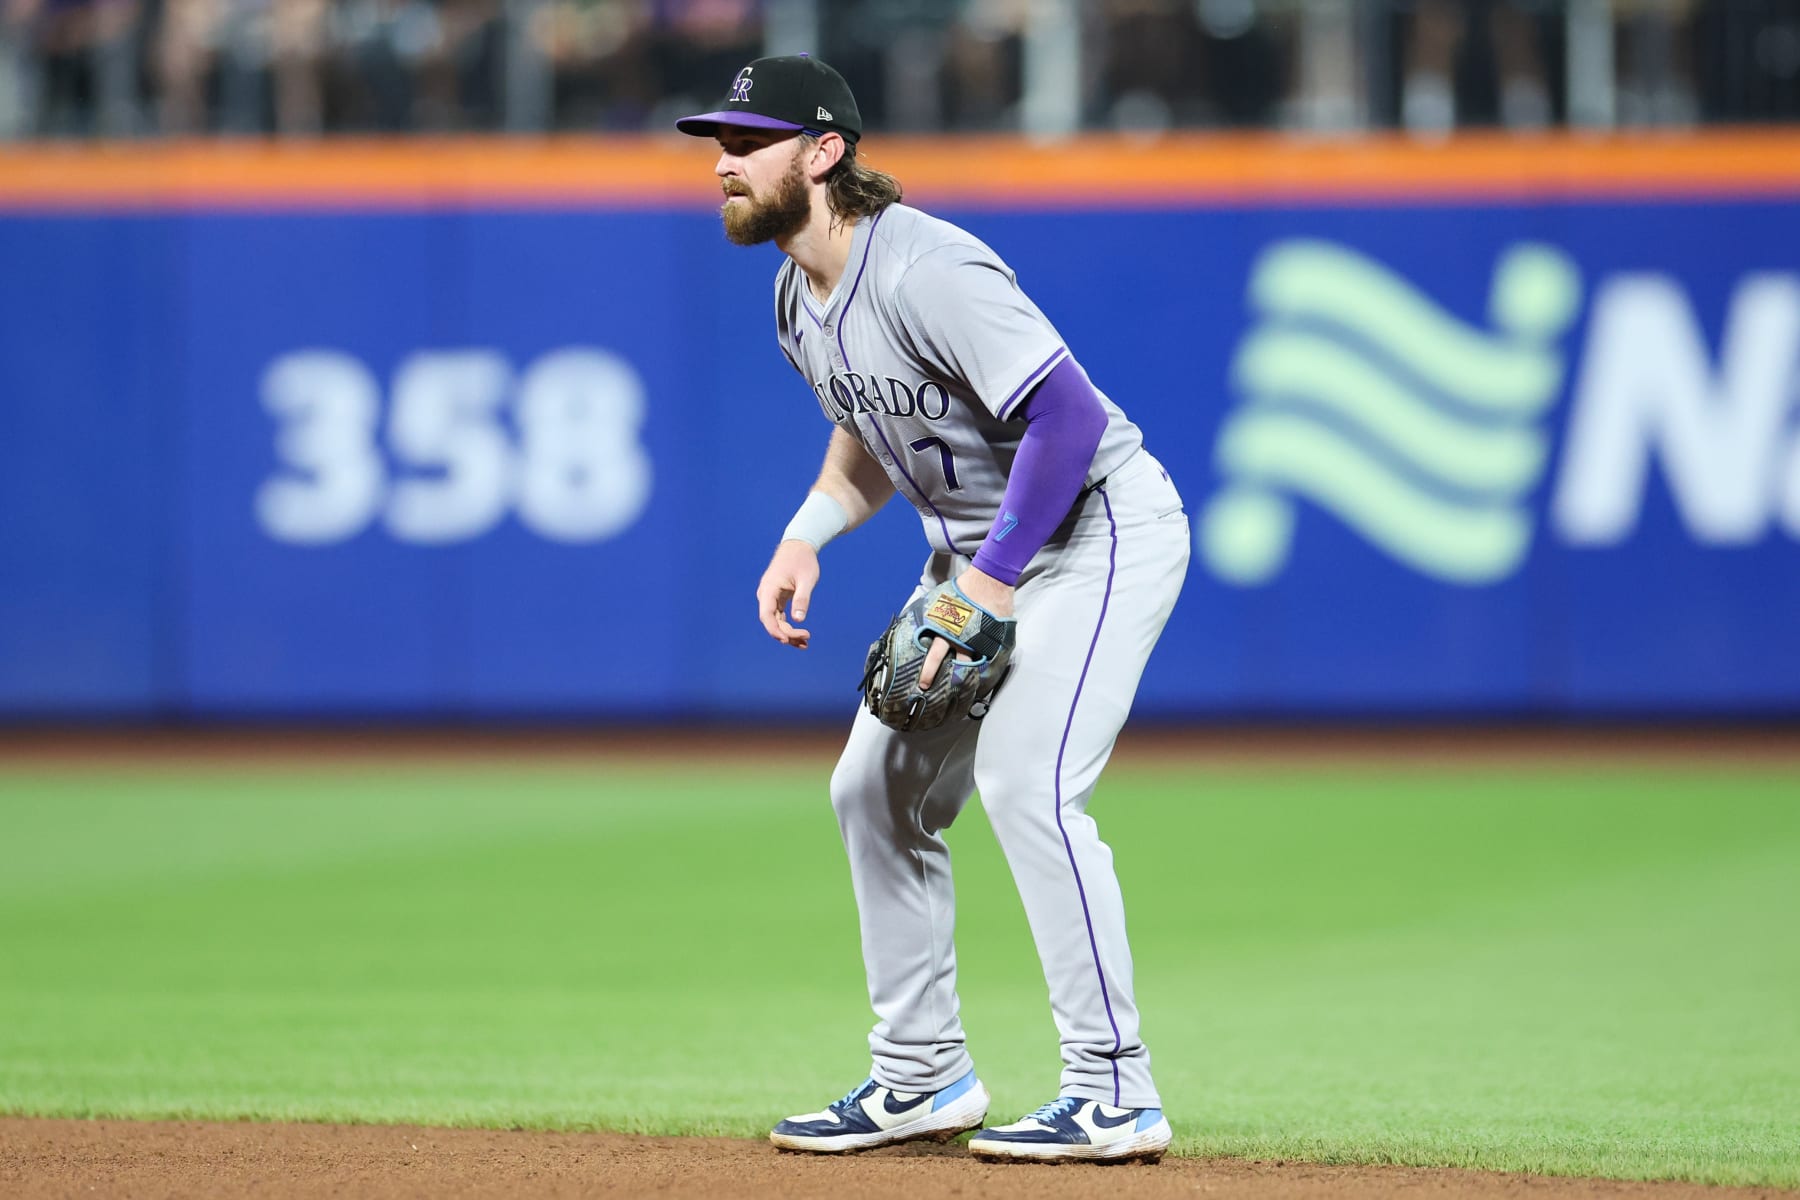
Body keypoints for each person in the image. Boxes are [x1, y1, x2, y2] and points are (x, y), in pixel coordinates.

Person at [676, 54, 1188, 1165]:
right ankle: (921, 1076)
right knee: (872, 788)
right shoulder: (792, 295)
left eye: (746, 142)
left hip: (1095, 532)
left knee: (1026, 781)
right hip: (979, 557)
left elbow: (1064, 415)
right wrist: (804, 536)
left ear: (822, 153)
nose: (722, 162)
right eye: (717, 142)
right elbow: (870, 428)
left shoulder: (926, 265)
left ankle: (1115, 1090)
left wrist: (991, 582)